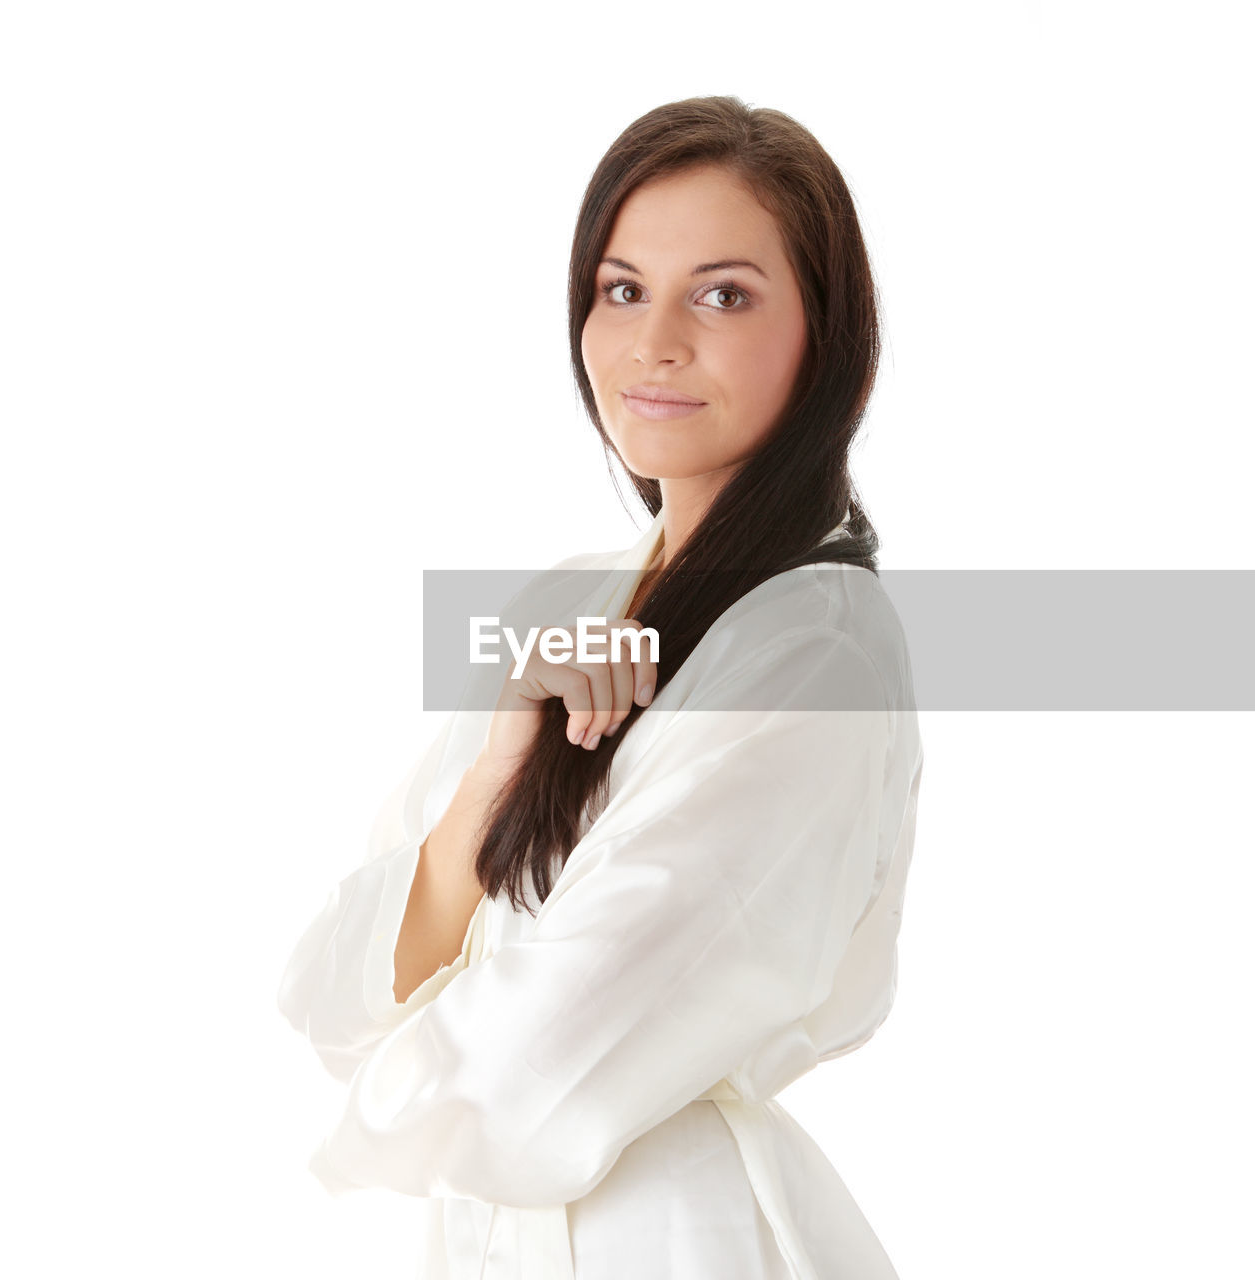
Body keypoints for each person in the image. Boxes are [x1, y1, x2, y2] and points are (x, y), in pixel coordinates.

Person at [277, 94, 924, 1280]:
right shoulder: (570, 601)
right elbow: (330, 991)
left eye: (721, 294)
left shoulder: (814, 650)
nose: (652, 341)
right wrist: (494, 779)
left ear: (823, 334)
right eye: (621, 288)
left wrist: (391, 1089)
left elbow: (531, 1075)